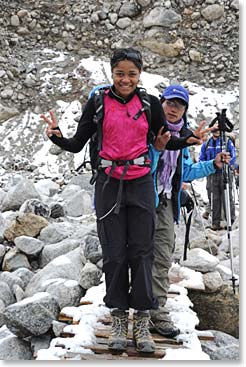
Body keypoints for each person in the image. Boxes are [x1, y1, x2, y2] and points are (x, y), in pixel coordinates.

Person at [41, 49, 207, 353]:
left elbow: (164, 139)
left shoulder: (149, 103)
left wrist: (188, 141)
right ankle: (118, 318)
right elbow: (78, 143)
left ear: (139, 74)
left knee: (142, 253)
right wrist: (56, 137)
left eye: (132, 73)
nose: (126, 79)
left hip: (142, 184)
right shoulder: (98, 101)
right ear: (111, 73)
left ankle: (142, 321)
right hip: (108, 184)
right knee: (115, 254)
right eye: (120, 73)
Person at [149, 84, 231, 338]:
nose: (174, 109)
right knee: (135, 255)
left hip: (166, 202)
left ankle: (156, 311)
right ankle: (130, 307)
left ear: (185, 109)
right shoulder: (148, 128)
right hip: (139, 201)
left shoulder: (185, 137)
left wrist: (213, 165)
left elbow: (186, 172)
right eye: (170, 103)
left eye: (180, 105)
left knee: (162, 257)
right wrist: (157, 147)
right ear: (161, 103)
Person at [199, 129, 236, 230]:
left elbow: (233, 157)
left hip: (225, 173)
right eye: (214, 129)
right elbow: (201, 158)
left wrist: (226, 164)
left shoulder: (227, 142)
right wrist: (208, 166)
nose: (216, 131)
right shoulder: (206, 144)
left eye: (218, 130)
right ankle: (215, 223)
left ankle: (231, 221)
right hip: (211, 174)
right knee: (213, 198)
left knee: (227, 197)